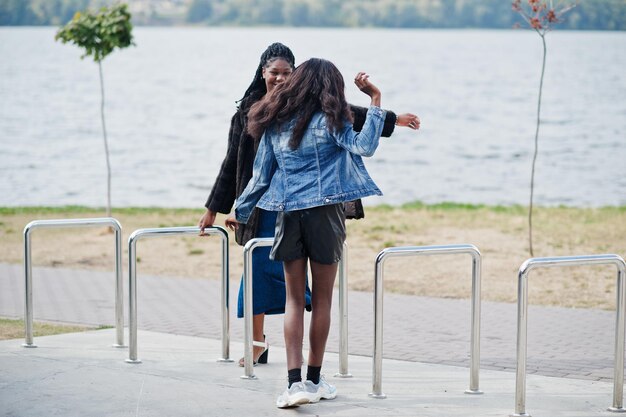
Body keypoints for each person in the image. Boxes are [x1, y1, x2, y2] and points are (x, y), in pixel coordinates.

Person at [198, 42, 419, 368]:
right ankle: (261, 343)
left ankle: (298, 369)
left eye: (288, 73)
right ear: (263, 73)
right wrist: (215, 209)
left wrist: (391, 119)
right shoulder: (246, 113)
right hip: (264, 206)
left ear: (297, 75)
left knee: (294, 287)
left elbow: (346, 113)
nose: (281, 79)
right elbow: (233, 164)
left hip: (291, 208)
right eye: (275, 73)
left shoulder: (305, 105)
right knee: (258, 270)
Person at [233, 58, 388, 408]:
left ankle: (292, 385)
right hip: (325, 216)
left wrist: (241, 212)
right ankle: (315, 381)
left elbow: (260, 178)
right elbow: (365, 146)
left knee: (292, 300)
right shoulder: (332, 121)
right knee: (321, 300)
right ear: (329, 87)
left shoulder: (275, 123)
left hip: (288, 215)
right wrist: (375, 98)